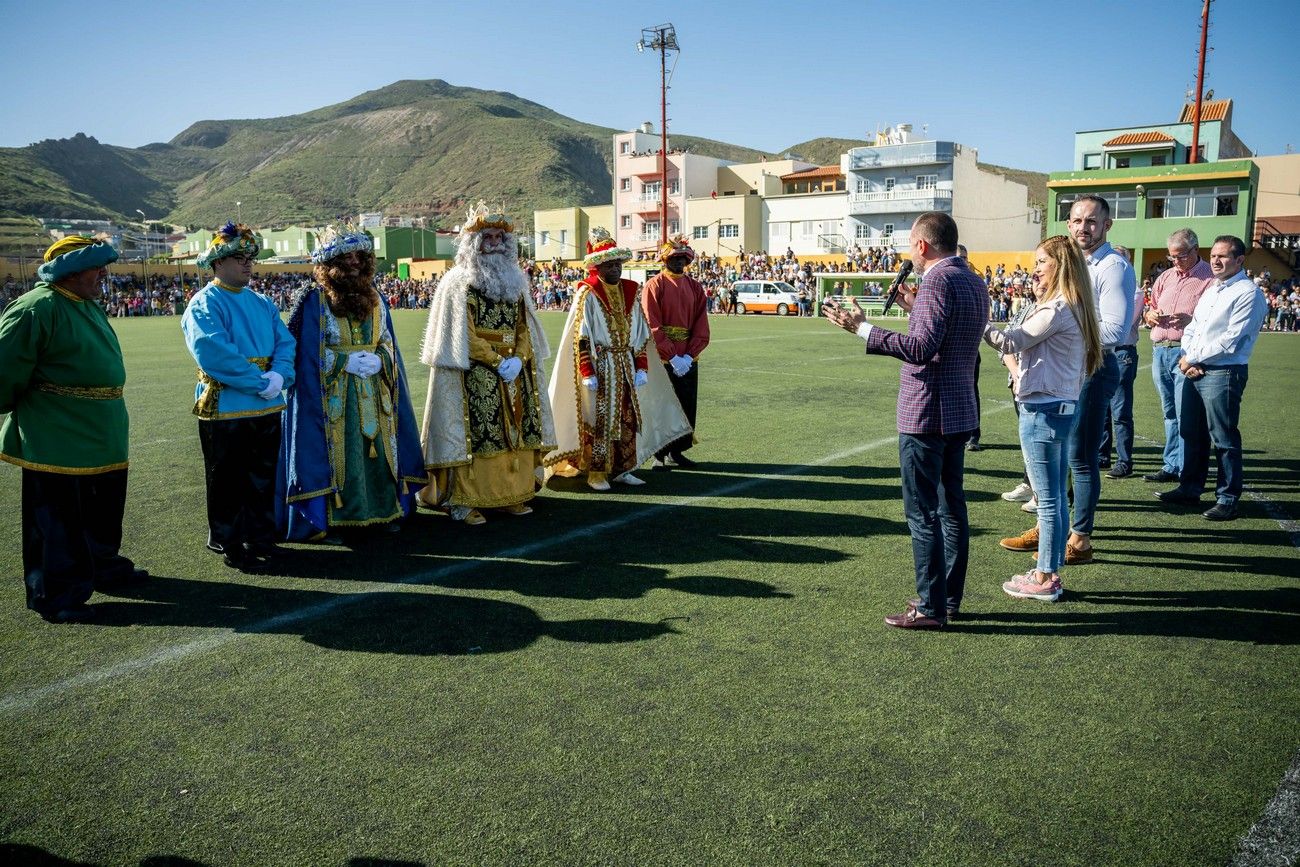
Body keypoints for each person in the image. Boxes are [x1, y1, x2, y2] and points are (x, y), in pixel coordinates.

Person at [823, 212, 987, 629]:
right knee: (952, 509)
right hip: (958, 409)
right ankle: (947, 599)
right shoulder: (972, 278)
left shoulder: (937, 280)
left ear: (922, 245)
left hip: (927, 411)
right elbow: (947, 339)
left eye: (909, 243)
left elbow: (920, 349)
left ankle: (930, 607)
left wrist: (863, 329)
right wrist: (917, 309)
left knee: (923, 513)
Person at [0, 237, 148, 623]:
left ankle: (103, 568)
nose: (104, 274)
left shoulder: (87, 304)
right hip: (58, 433)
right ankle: (57, 594)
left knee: (102, 509)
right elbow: (5, 370)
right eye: (95, 266)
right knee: (58, 518)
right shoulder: (37, 308)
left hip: (104, 430)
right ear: (68, 270)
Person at [1007, 195, 1134, 565]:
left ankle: (1079, 539)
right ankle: (1052, 530)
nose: (1083, 227)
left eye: (1092, 221)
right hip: (1068, 366)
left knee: (1080, 456)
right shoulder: (1070, 262)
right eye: (1077, 220)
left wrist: (1058, 328)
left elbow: (1114, 328)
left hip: (1093, 366)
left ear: (1107, 225)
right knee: (1057, 454)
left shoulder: (1111, 266)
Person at [277, 225, 425, 540]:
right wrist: (344, 361)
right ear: (330, 263)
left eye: (360, 255)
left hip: (375, 391)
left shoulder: (377, 296)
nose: (355, 262)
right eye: (347, 257)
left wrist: (380, 359)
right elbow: (304, 355)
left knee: (383, 451)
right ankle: (335, 518)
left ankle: (384, 512)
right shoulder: (313, 300)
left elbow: (387, 343)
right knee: (339, 455)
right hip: (334, 399)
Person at [417, 203, 556, 525]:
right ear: (473, 243)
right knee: (479, 432)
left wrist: (519, 359)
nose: (494, 243)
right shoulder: (457, 282)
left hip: (513, 370)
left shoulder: (516, 283)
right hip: (473, 371)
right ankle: (466, 500)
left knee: (516, 430)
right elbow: (461, 334)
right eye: (487, 237)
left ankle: (513, 494)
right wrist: (496, 360)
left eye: (499, 238)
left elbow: (523, 327)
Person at [987, 237, 1103, 602]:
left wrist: (975, 318)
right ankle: (1047, 571)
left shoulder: (1057, 308)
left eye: (1041, 262)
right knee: (1052, 497)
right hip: (1060, 407)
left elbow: (1010, 342)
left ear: (1061, 265)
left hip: (1044, 411)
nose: (1035, 269)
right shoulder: (1075, 305)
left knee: (1048, 499)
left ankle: (1046, 577)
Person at [182, 222, 296, 571]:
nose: (247, 264)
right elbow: (213, 352)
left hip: (266, 405)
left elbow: (285, 343)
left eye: (250, 257)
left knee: (263, 477)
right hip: (227, 407)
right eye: (238, 257)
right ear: (217, 263)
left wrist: (280, 374)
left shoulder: (261, 303)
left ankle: (261, 536)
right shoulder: (204, 303)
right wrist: (260, 382)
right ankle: (229, 540)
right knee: (228, 480)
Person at [546, 227, 690, 491]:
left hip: (625, 364)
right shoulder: (586, 293)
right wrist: (587, 371)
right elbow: (582, 336)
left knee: (628, 418)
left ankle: (625, 468)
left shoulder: (631, 291)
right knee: (601, 420)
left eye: (617, 264)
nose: (615, 269)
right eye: (609, 264)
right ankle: (597, 473)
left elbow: (640, 334)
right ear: (597, 267)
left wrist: (642, 367)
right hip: (601, 366)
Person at [1156, 236, 1268, 521]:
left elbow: (1231, 340)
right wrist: (1187, 357)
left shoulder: (1248, 293)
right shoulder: (1214, 289)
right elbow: (1193, 327)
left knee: (1224, 436)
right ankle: (1190, 489)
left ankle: (1228, 498)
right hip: (1195, 367)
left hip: (1224, 371)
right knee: (1192, 432)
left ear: (1240, 260)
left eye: (1224, 256)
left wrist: (1192, 358)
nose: (1216, 261)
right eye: (1214, 255)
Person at [1142, 229, 1212, 483]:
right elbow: (1151, 309)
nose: (1176, 261)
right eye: (1172, 257)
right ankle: (1171, 464)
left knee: (1186, 415)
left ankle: (1186, 470)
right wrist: (1150, 316)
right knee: (1169, 412)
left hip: (1187, 351)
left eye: (1181, 255)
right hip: (1161, 350)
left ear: (1196, 249)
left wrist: (1191, 320)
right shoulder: (1165, 277)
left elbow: (1214, 319)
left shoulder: (1209, 279)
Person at [642, 235, 710, 469]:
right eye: (675, 258)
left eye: (683, 258)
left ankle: (677, 451)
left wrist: (690, 355)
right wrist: (671, 354)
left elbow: (701, 322)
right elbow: (652, 323)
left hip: (689, 358)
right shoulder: (654, 285)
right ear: (665, 259)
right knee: (661, 404)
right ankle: (659, 454)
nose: (679, 262)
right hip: (663, 359)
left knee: (685, 404)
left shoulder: (695, 287)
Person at [1099, 244, 1141, 477]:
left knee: (1121, 410)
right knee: (1103, 409)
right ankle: (1102, 454)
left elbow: (1120, 326)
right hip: (1106, 351)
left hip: (1122, 351)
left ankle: (1124, 460)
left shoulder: (1134, 292)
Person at [957, 244, 986, 452]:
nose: (964, 261)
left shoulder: (975, 283)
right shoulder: (945, 280)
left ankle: (973, 434)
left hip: (969, 348)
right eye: (960, 257)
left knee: (969, 390)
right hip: (950, 348)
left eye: (965, 257)